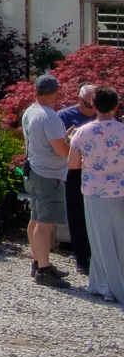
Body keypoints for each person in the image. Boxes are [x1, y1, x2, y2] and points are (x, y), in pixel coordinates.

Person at [66, 87, 124, 303]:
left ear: (94, 105)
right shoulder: (123, 131)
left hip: (93, 191)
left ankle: (104, 284)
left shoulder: (81, 132)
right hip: (120, 190)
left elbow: (73, 165)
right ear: (116, 106)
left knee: (99, 240)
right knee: (120, 238)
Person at [22, 74, 73, 288]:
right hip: (48, 175)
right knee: (45, 223)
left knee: (36, 217)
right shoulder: (50, 117)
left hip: (33, 170)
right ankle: (44, 270)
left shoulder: (30, 111)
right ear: (55, 92)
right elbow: (61, 150)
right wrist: (74, 144)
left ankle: (38, 262)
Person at [60, 83, 98, 274]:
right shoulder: (65, 116)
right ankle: (82, 258)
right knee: (77, 216)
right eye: (89, 105)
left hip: (97, 174)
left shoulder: (103, 115)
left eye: (95, 105)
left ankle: (98, 257)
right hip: (74, 172)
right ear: (79, 100)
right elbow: (57, 148)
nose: (93, 109)